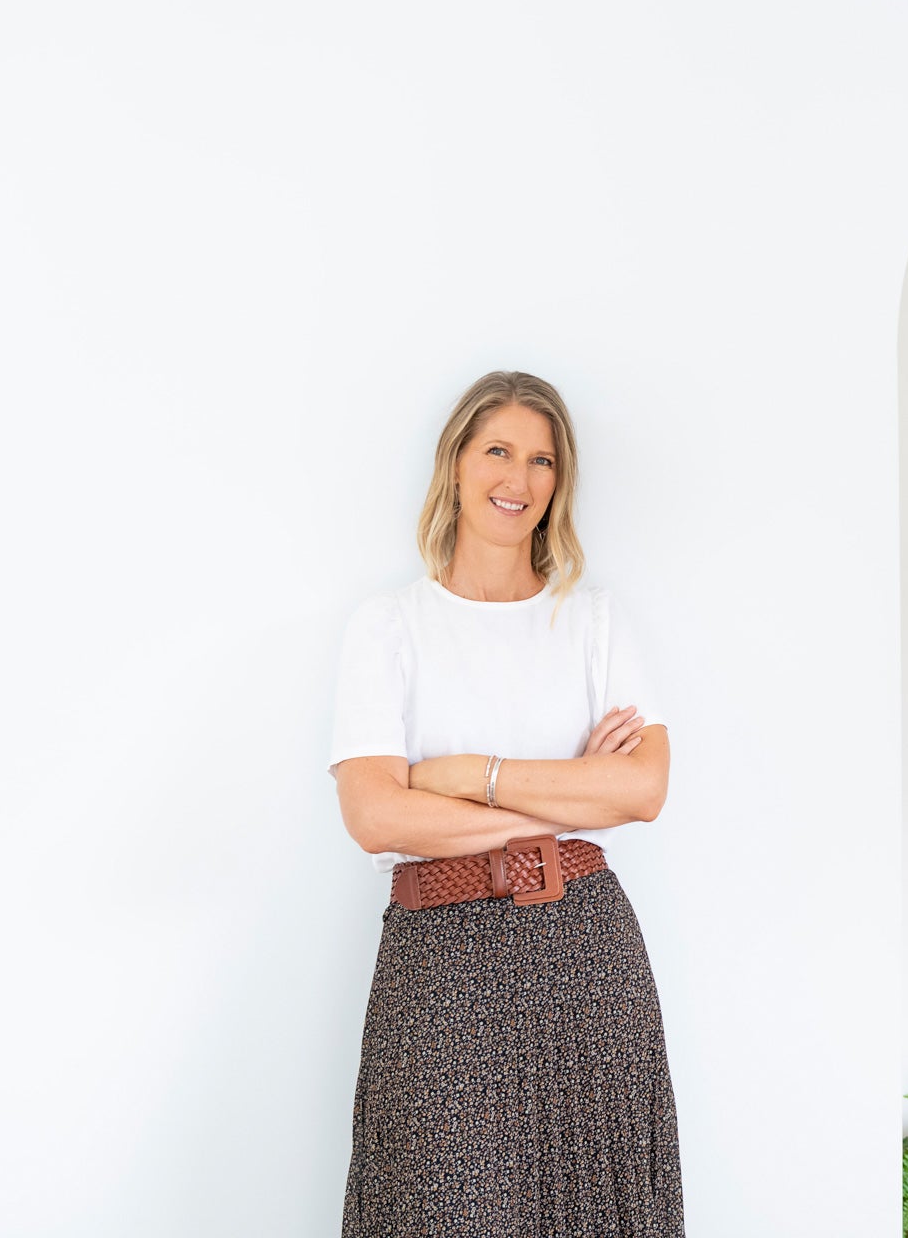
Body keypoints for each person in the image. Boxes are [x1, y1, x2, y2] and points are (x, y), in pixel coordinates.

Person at [327, 369, 684, 1236]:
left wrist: (466, 774)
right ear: (456, 463)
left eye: (542, 461)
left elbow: (642, 788)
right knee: (440, 1211)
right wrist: (572, 796)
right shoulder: (389, 627)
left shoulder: (595, 623)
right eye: (498, 450)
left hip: (584, 955)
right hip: (437, 964)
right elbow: (377, 816)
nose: (517, 480)